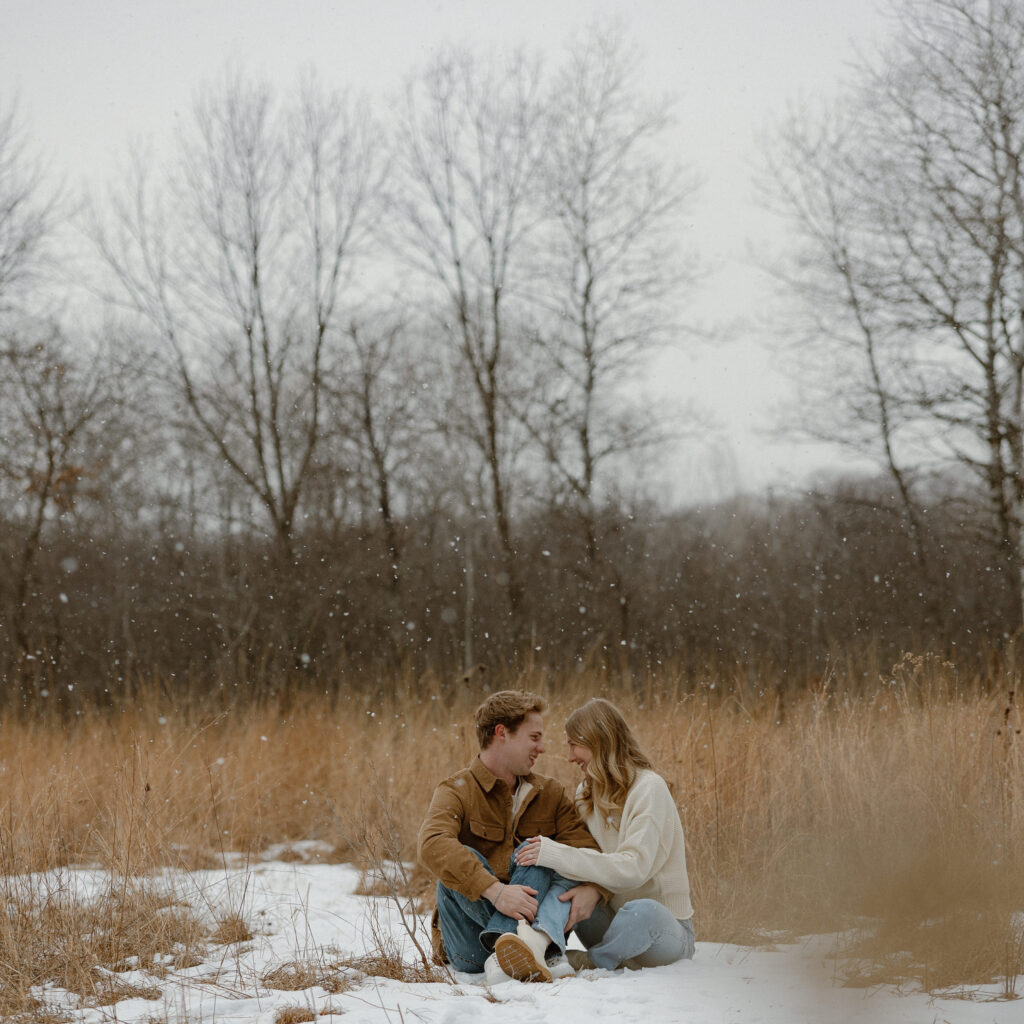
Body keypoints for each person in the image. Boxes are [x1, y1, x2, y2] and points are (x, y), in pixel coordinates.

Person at [417, 690, 603, 981]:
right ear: (501, 733)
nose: (542, 748)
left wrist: (595, 888)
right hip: (470, 947)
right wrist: (497, 892)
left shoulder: (550, 794)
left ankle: (519, 948)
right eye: (534, 737)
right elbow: (431, 844)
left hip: (532, 939)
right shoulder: (456, 790)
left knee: (541, 851)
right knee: (458, 860)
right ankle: (522, 945)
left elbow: (587, 850)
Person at [513, 697, 695, 973]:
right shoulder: (586, 794)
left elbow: (633, 868)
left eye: (574, 745)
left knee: (642, 911)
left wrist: (555, 853)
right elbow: (586, 860)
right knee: (564, 883)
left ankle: (590, 962)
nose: (570, 757)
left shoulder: (649, 789)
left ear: (599, 743)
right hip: (612, 923)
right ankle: (539, 945)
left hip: (664, 933)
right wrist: (592, 889)